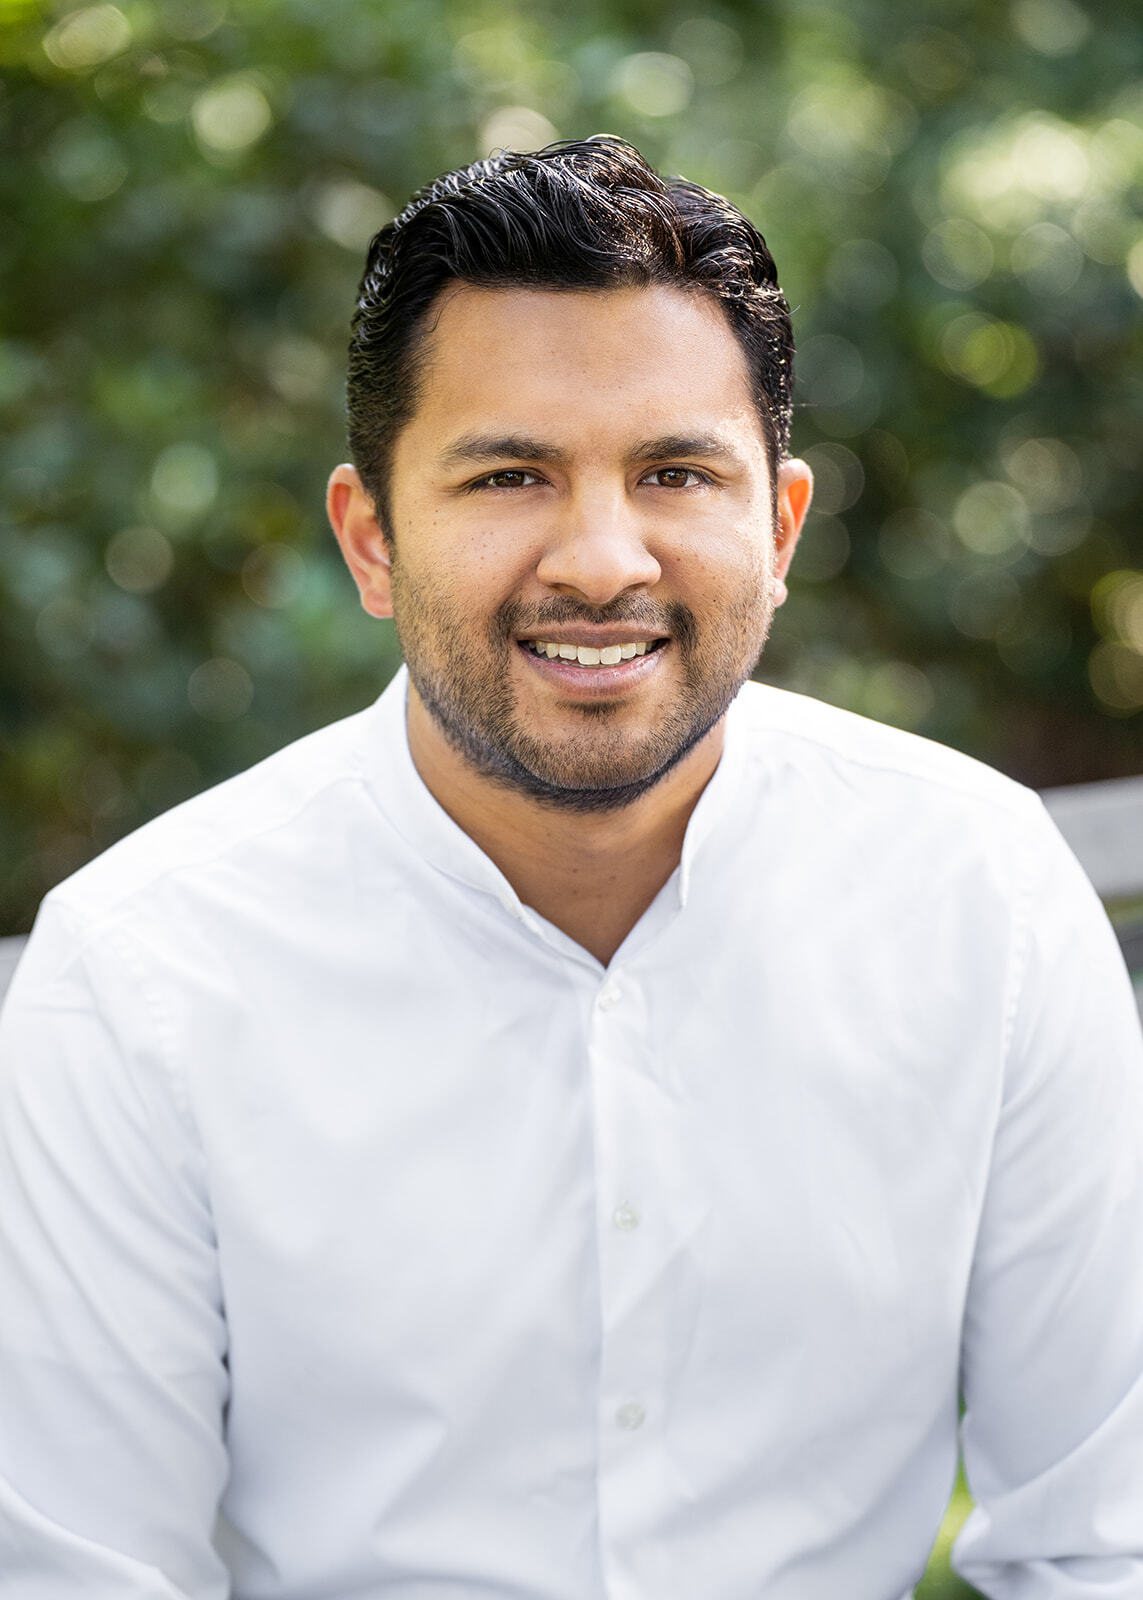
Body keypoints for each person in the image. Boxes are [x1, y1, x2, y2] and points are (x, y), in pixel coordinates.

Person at [1, 135, 1141, 1600]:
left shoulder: (985, 899)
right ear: (372, 539)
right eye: (509, 475)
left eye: (675, 471)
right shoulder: (140, 974)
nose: (602, 559)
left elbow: (1105, 1544)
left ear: (778, 527)